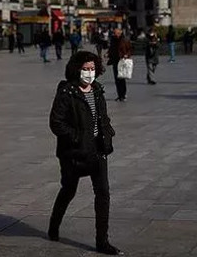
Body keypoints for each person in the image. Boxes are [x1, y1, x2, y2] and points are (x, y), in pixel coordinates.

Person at [47, 51, 122, 255]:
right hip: (74, 153)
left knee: (103, 194)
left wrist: (107, 134)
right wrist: (77, 137)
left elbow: (102, 117)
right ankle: (54, 225)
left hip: (98, 150)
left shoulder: (97, 90)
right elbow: (56, 123)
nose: (89, 73)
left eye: (92, 69)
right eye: (85, 69)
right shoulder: (67, 92)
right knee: (68, 190)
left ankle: (102, 241)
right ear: (76, 69)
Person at [106, 28, 131, 102]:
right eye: (114, 33)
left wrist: (127, 54)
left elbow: (130, 49)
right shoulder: (113, 40)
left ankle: (123, 94)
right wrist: (108, 53)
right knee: (117, 79)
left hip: (122, 60)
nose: (115, 34)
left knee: (121, 78)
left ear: (120, 32)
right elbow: (111, 48)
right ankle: (119, 95)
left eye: (116, 33)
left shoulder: (125, 40)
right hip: (115, 61)